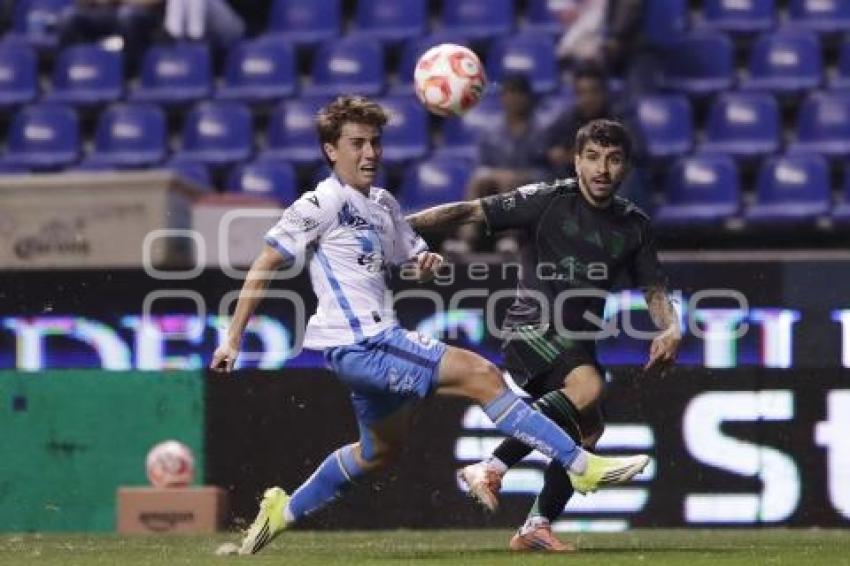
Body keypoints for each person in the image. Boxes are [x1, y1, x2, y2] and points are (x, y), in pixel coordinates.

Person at [210, 97, 650, 556]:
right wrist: (234, 338)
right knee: (482, 376)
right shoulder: (320, 203)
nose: (370, 154)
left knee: (376, 453)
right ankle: (580, 463)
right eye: (356, 144)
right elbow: (265, 263)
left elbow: (409, 254)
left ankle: (281, 512)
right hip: (364, 343)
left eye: (375, 143)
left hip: (371, 348)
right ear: (330, 151)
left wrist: (423, 261)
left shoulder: (381, 204)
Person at [407, 119, 681, 552]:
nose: (602, 169)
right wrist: (397, 231)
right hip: (529, 327)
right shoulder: (548, 200)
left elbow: (654, 288)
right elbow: (469, 211)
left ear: (626, 166)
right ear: (576, 161)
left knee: (588, 432)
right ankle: (490, 467)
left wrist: (671, 326)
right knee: (589, 386)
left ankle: (535, 526)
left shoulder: (635, 225)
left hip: (576, 342)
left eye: (612, 159)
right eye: (592, 157)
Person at [455, 75, 548, 252]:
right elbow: (480, 166)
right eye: (509, 94)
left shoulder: (541, 130)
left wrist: (518, 176)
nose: (514, 99)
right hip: (493, 184)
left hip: (528, 186)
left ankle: (509, 239)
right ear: (503, 98)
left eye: (519, 94)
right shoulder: (491, 130)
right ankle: (466, 239)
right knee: (478, 180)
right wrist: (497, 175)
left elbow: (547, 172)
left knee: (509, 181)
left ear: (527, 98)